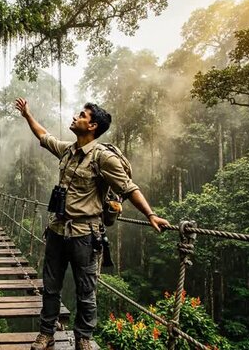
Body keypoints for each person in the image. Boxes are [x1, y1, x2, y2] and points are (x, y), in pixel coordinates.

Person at [14, 98, 170, 350]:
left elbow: (129, 188)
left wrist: (150, 215)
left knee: (86, 291)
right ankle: (46, 334)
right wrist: (27, 115)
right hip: (56, 230)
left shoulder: (104, 158)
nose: (76, 117)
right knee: (50, 287)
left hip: (85, 235)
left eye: (82, 115)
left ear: (93, 125)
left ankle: (83, 339)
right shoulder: (68, 150)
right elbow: (43, 136)